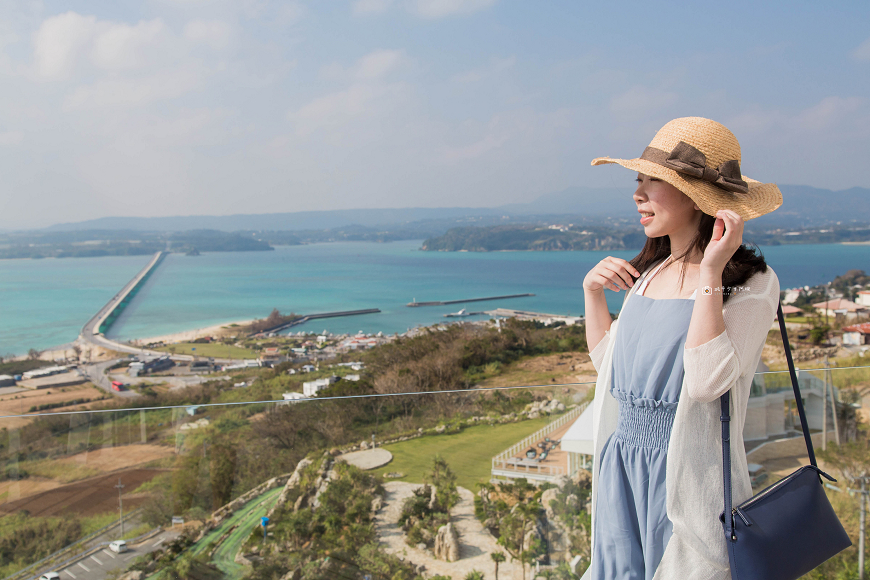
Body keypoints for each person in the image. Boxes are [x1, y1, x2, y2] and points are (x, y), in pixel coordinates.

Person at [580, 117, 783, 580]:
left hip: (689, 475)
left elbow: (709, 381)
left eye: (656, 182)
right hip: (623, 468)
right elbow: (610, 370)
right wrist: (593, 295)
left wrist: (711, 273)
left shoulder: (751, 284)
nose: (638, 194)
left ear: (698, 197)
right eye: (639, 181)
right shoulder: (650, 272)